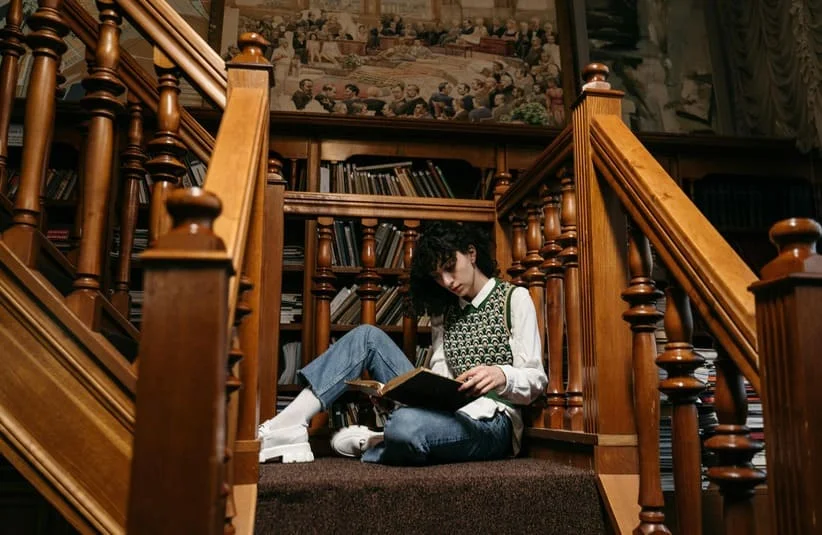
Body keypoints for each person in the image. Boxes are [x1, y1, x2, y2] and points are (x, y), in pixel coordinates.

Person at [257, 221, 547, 465]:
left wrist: (502, 375)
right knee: (367, 337)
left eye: (450, 267)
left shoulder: (514, 299)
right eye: (437, 276)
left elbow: (535, 380)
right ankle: (290, 425)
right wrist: (400, 390)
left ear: (471, 254)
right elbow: (442, 377)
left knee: (406, 425)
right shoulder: (444, 312)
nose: (447, 281)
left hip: (492, 422)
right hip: (448, 410)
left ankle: (375, 441)